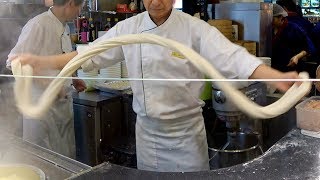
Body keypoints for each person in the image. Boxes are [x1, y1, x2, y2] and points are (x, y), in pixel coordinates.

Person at [13, 0, 301, 172]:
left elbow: (231, 56)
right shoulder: (129, 28)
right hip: (148, 134)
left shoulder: (192, 28)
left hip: (186, 136)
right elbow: (86, 55)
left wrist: (273, 75)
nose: (157, 3)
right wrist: (39, 61)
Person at [6, 0, 86, 158]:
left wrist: (73, 78)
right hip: (40, 108)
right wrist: (49, 85)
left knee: (64, 158)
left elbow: (62, 57)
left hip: (62, 106)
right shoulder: (38, 24)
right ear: (70, 4)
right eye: (79, 8)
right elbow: (13, 61)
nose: (79, 13)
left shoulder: (65, 26)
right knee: (42, 159)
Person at [272, 4, 316, 73]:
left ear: (280, 17)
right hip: (275, 70)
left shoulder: (293, 28)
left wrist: (297, 57)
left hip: (293, 69)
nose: (269, 21)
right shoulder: (268, 30)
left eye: (272, 19)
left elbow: (308, 48)